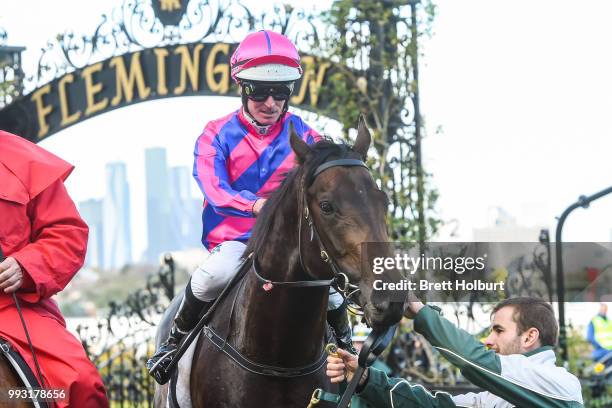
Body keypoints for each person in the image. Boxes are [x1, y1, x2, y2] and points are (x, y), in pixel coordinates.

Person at [147, 30, 355, 384]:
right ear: (241, 87)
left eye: (281, 91)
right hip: (236, 242)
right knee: (212, 275)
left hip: (289, 243)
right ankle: (173, 344)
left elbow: (329, 176)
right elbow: (214, 188)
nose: (270, 102)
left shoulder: (306, 135)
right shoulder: (215, 134)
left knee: (331, 288)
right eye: (259, 90)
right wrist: (254, 205)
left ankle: (346, 347)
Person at [0, 131, 108, 407]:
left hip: (11, 308)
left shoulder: (23, 160)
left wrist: (24, 266)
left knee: (80, 382)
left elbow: (67, 234)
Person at [327, 297, 584, 407]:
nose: (488, 339)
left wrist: (421, 312)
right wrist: (367, 380)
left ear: (530, 336)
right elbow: (434, 406)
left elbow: (475, 361)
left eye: (498, 330)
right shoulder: (495, 398)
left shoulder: (561, 385)